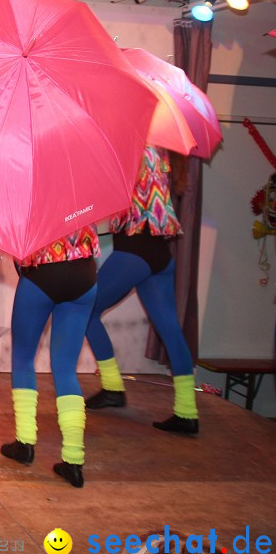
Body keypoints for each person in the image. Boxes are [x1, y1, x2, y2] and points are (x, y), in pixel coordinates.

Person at [84, 146, 198, 434]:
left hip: (136, 250)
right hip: (158, 253)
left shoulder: (139, 150)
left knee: (83, 309)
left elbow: (112, 196)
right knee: (170, 329)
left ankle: (112, 386)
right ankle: (187, 411)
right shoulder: (160, 152)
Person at [0, 225, 99, 488]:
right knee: (66, 368)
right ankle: (74, 459)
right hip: (84, 272)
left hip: (43, 270)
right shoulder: (83, 186)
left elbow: (17, 246)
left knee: (23, 357)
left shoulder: (33, 188)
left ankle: (24, 443)